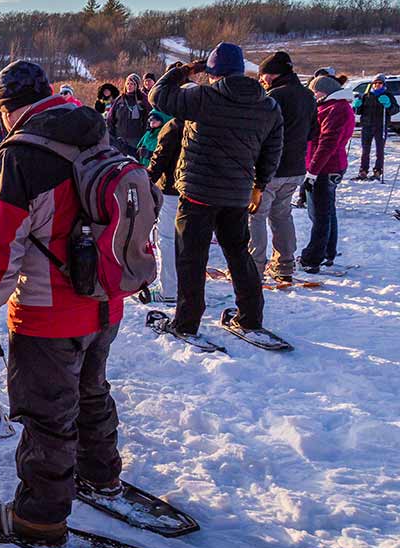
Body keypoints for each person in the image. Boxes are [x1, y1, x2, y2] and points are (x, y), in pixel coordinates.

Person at [0, 60, 126, 545]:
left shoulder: (19, 156)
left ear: (5, 107)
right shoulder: (94, 133)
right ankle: (100, 473)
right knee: (91, 389)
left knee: (47, 414)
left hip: (48, 311)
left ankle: (39, 516)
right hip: (106, 299)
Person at [148, 43, 283, 340]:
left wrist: (184, 71)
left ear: (212, 72)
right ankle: (249, 316)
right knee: (238, 255)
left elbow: (157, 95)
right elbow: (272, 150)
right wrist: (259, 186)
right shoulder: (267, 105)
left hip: (198, 194)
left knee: (191, 258)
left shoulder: (203, 96)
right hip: (237, 194)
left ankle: (186, 322)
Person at [252, 52, 316, 283]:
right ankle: (285, 264)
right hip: (296, 167)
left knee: (255, 216)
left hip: (270, 169)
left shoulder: (273, 97)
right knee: (282, 215)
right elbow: (313, 131)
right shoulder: (308, 95)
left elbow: (259, 133)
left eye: (263, 75)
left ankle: (254, 266)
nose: (261, 79)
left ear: (272, 74)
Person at [299, 76, 356, 273]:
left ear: (325, 91)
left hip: (326, 167)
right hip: (327, 166)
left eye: (315, 92)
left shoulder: (336, 109)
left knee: (320, 215)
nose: (314, 95)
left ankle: (314, 257)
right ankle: (326, 253)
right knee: (327, 212)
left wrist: (313, 172)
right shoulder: (330, 106)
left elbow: (327, 143)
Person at [146, 115, 183, 303]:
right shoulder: (208, 121)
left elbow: (159, 158)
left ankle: (169, 289)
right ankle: (188, 289)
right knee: (191, 242)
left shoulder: (173, 126)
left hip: (172, 190)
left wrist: (146, 181)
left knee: (167, 239)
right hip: (200, 191)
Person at [353, 74, 398, 180]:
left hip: (380, 126)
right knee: (365, 150)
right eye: (375, 83)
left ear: (383, 84)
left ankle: (378, 171)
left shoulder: (388, 95)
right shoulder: (366, 95)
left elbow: (395, 109)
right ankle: (363, 171)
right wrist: (356, 106)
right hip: (367, 126)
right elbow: (358, 112)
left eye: (380, 83)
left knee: (380, 150)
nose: (377, 85)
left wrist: (388, 105)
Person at [106, 74, 150, 157]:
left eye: (132, 84)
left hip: (136, 139)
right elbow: (110, 118)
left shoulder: (143, 99)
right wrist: (111, 135)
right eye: (128, 83)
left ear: (137, 86)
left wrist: (145, 136)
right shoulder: (120, 100)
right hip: (119, 138)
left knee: (133, 163)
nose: (129, 86)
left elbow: (149, 119)